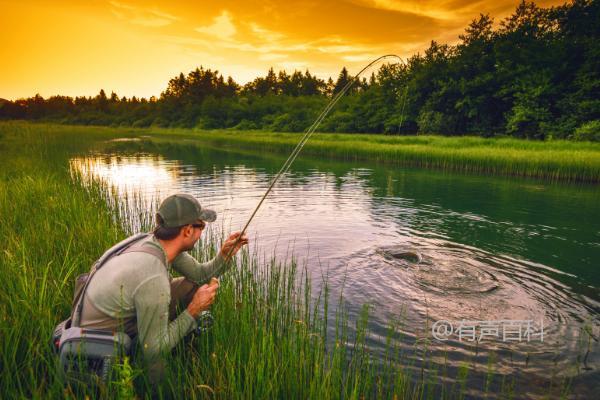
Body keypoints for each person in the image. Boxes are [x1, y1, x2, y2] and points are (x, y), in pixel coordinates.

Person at [78, 193, 248, 382]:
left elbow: (200, 275)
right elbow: (152, 350)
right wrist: (193, 311)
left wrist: (225, 255)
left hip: (114, 316)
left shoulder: (154, 242)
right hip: (101, 341)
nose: (203, 232)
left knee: (192, 284)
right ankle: (156, 389)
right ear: (187, 230)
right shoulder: (153, 276)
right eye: (201, 226)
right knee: (156, 358)